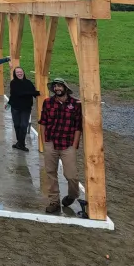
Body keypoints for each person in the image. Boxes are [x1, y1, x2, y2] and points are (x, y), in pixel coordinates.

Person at [38, 78, 82, 213]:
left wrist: (75, 144)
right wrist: (45, 141)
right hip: (51, 142)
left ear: (65, 88)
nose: (57, 88)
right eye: (55, 86)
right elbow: (43, 122)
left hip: (68, 144)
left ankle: (73, 195)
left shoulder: (75, 104)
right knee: (50, 173)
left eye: (60, 86)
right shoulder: (48, 102)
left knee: (71, 175)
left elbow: (78, 126)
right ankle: (54, 201)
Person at [7, 66, 39, 151]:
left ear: (23, 73)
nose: (19, 73)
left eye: (21, 72)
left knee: (24, 125)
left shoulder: (28, 83)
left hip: (26, 108)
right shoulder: (13, 83)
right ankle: (20, 143)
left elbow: (35, 94)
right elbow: (17, 94)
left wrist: (38, 95)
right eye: (17, 72)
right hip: (15, 107)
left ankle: (20, 144)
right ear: (15, 74)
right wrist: (9, 103)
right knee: (17, 125)